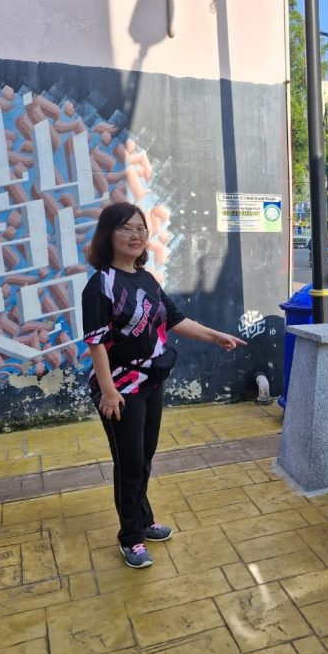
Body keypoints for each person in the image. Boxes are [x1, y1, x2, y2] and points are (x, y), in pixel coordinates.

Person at [81, 202, 246, 569]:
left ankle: (142, 518)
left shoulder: (147, 279)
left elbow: (174, 319)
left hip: (151, 381)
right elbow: (95, 343)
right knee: (129, 462)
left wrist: (214, 335)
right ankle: (131, 537)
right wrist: (108, 391)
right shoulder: (101, 285)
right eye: (126, 228)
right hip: (120, 386)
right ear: (109, 235)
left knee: (146, 456)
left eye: (141, 228)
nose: (136, 234)